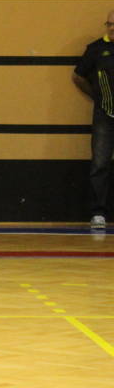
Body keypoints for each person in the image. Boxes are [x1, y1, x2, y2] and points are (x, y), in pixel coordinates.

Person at [73, 12, 114, 230]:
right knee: (100, 163)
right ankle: (98, 213)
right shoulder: (96, 49)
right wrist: (97, 97)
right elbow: (78, 76)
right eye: (109, 24)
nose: (112, 28)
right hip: (104, 114)